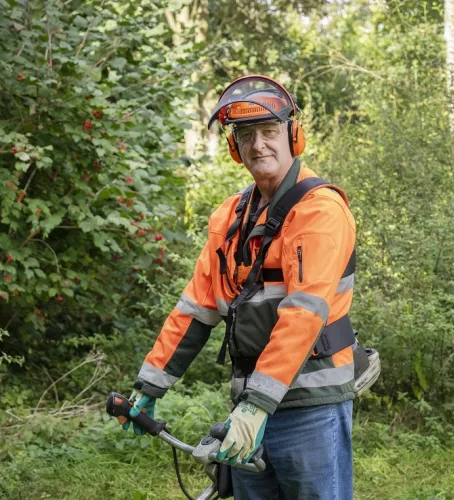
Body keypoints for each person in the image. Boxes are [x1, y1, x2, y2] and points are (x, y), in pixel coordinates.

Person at [123, 75, 357, 499]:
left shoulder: (320, 210)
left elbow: (304, 313)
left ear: (293, 135)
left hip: (311, 403)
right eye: (246, 135)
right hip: (248, 404)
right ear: (235, 147)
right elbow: (196, 309)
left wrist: (256, 406)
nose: (258, 145)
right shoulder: (230, 216)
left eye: (269, 132)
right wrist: (149, 386)